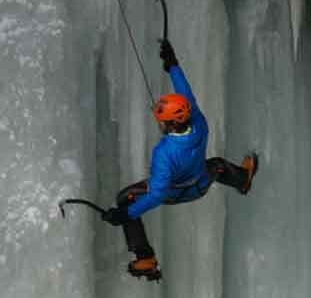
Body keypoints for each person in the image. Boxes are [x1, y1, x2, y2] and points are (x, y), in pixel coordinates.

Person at [102, 38, 257, 281]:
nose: (159, 121)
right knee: (216, 164)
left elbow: (158, 194)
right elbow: (186, 94)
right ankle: (242, 179)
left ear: (172, 123)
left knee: (125, 198)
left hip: (180, 191)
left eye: (161, 118)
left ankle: (145, 258)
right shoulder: (198, 122)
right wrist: (172, 65)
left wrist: (126, 214)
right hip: (203, 180)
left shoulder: (165, 153)